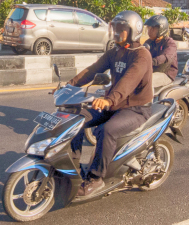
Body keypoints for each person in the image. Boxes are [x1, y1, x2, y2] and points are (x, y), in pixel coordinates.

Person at [67, 11, 152, 198]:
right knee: (76, 119)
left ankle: (96, 179)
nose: (116, 33)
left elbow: (129, 81)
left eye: (122, 30)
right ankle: (74, 168)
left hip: (135, 109)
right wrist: (69, 85)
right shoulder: (114, 52)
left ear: (133, 32)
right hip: (114, 105)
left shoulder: (141, 55)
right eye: (115, 28)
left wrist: (109, 99)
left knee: (107, 130)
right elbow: (93, 69)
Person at [144, 15, 177, 89]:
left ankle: (149, 101)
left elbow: (165, 57)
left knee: (147, 82)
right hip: (152, 71)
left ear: (161, 29)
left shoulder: (170, 43)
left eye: (153, 29)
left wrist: (152, 61)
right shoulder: (149, 42)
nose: (149, 31)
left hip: (166, 74)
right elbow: (141, 53)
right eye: (149, 28)